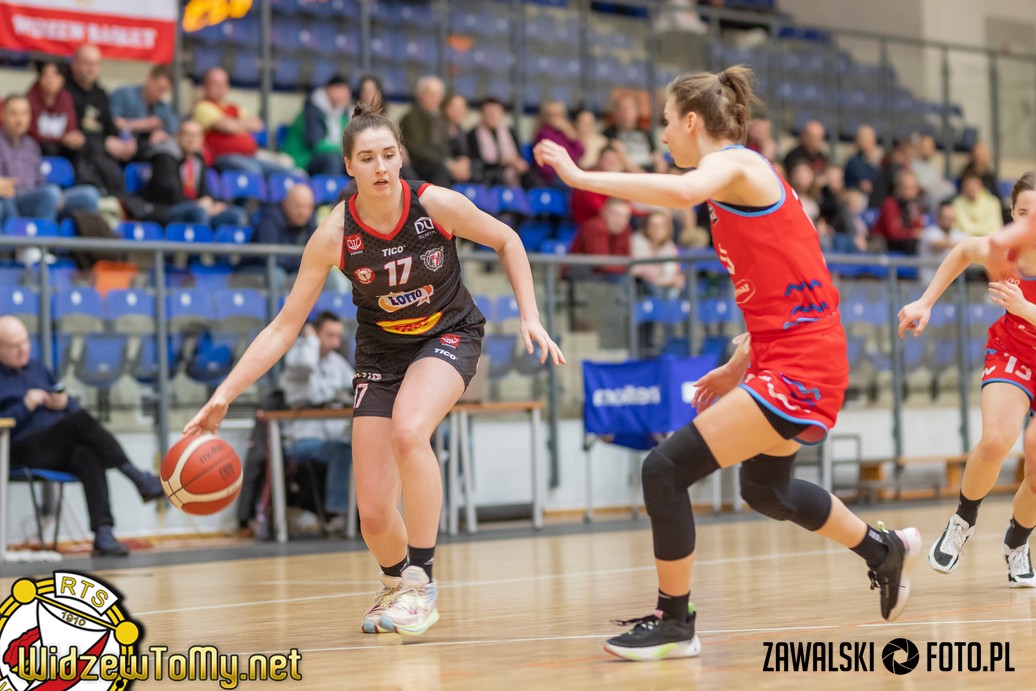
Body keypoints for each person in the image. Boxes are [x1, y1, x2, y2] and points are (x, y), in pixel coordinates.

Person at [535, 65, 920, 661]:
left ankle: (674, 621)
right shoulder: (736, 184)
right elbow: (785, 281)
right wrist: (742, 360)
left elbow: (681, 194)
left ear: (692, 122)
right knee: (767, 490)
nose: (664, 134)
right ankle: (883, 550)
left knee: (664, 469)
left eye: (667, 122)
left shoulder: (737, 167)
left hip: (802, 362)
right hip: (787, 351)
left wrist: (580, 175)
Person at [184, 99, 564, 637]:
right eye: (367, 158)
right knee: (375, 514)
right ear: (348, 166)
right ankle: (394, 584)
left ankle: (421, 584)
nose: (380, 167)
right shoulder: (334, 234)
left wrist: (530, 315)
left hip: (448, 333)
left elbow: (508, 239)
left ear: (401, 157)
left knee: (410, 430)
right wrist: (224, 393)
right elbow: (284, 327)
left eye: (388, 154)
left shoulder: (434, 204)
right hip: (381, 353)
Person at [898, 171, 1036, 588]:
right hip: (1014, 352)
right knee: (995, 441)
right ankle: (963, 519)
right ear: (1011, 213)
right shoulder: (1000, 250)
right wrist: (925, 302)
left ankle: (1017, 541)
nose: (1030, 222)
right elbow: (961, 251)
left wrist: (1025, 308)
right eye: (1023, 212)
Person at [0, 316, 163, 556]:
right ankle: (138, 477)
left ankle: (103, 533)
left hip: (58, 444)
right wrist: (25, 405)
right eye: (15, 346)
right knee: (77, 423)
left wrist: (65, 403)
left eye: (25, 342)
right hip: (20, 448)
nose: (23, 349)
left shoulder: (37, 368)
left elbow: (72, 408)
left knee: (87, 453)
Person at [281, 311, 354, 531]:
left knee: (361, 448)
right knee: (342, 452)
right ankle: (335, 515)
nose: (335, 343)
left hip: (331, 439)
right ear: (315, 332)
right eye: (329, 335)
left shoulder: (336, 362)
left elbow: (355, 386)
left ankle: (363, 517)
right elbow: (306, 365)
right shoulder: (298, 355)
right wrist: (310, 339)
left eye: (338, 337)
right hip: (300, 441)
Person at [141, 120, 247, 227]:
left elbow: (204, 189)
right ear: (177, 136)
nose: (192, 140)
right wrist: (198, 204)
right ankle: (201, 237)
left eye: (196, 135)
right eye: (187, 135)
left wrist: (213, 203)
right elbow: (170, 193)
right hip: (167, 208)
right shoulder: (165, 157)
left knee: (235, 214)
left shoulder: (198, 159)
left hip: (195, 206)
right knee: (199, 212)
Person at [192, 67, 293, 175]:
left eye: (223, 83)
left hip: (251, 155)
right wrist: (241, 125)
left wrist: (234, 125)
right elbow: (228, 127)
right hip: (224, 157)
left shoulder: (234, 107)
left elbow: (257, 125)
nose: (220, 88)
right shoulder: (202, 107)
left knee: (286, 171)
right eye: (215, 84)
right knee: (253, 172)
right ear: (205, 86)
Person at [65, 45, 136, 193]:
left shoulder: (100, 94)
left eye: (96, 64)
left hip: (103, 154)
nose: (92, 69)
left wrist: (125, 141)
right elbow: (72, 135)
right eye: (87, 63)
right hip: (81, 156)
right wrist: (104, 143)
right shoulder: (65, 93)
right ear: (74, 64)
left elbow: (110, 127)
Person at [399, 76, 470, 187]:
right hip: (420, 165)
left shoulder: (440, 120)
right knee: (441, 170)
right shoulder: (411, 118)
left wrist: (457, 163)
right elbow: (417, 149)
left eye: (438, 95)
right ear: (420, 94)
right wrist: (447, 163)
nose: (435, 99)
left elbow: (445, 147)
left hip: (440, 163)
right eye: (431, 94)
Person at [282, 74, 352, 176]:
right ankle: (330, 186)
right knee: (333, 160)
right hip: (304, 157)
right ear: (331, 89)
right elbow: (315, 142)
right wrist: (340, 151)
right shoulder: (312, 109)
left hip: (330, 154)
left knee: (353, 163)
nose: (347, 95)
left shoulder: (342, 113)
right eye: (343, 90)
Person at [109, 64, 178, 158]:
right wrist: (144, 124)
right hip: (122, 144)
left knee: (167, 154)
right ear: (149, 78)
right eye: (159, 88)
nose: (159, 95)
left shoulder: (163, 106)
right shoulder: (124, 94)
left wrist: (163, 135)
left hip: (148, 150)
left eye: (164, 91)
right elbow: (113, 122)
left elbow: (174, 129)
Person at [467, 97, 535, 189]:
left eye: (496, 113)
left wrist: (518, 163)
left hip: (511, 171)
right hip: (488, 173)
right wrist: (503, 162)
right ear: (482, 114)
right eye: (489, 113)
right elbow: (477, 162)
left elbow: (518, 156)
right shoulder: (473, 134)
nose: (493, 116)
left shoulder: (509, 132)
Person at [26, 58, 84, 159]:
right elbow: (31, 133)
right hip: (38, 145)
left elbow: (71, 127)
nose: (50, 80)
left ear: (62, 79)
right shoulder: (31, 98)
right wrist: (61, 139)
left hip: (62, 144)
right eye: (46, 75)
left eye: (54, 75)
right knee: (49, 149)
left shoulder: (66, 98)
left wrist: (74, 138)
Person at [568, 197, 633, 276]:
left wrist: (629, 267)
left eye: (626, 217)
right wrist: (628, 268)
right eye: (616, 215)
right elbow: (601, 264)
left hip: (605, 275)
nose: (621, 221)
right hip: (579, 274)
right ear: (604, 213)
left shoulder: (625, 229)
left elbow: (628, 259)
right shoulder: (594, 227)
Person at [603, 93, 667, 173]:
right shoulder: (608, 135)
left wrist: (660, 167)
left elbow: (657, 156)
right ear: (615, 112)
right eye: (622, 109)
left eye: (629, 108)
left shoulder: (645, 133)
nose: (626, 113)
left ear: (637, 111)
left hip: (650, 172)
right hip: (627, 174)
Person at [871, 170, 926, 254]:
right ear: (899, 189)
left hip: (906, 244)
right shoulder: (890, 204)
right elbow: (893, 233)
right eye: (908, 188)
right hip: (886, 245)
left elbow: (919, 228)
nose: (912, 192)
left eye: (914, 188)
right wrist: (912, 233)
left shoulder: (914, 206)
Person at [531, 101, 583, 187]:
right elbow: (545, 167)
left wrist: (569, 132)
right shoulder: (544, 133)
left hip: (569, 173)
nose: (556, 119)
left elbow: (581, 152)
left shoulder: (566, 132)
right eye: (551, 115)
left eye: (559, 115)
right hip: (552, 177)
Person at [918, 201, 965, 284]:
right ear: (938, 217)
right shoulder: (929, 232)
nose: (949, 221)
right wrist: (961, 246)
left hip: (953, 283)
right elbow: (937, 244)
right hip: (930, 281)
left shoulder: (959, 234)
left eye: (952, 218)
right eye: (946, 217)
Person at [954, 169, 1003, 238]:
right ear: (963, 186)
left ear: (981, 185)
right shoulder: (956, 203)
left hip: (988, 241)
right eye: (968, 184)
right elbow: (956, 230)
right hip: (964, 241)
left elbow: (996, 228)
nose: (971, 187)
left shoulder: (993, 202)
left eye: (974, 184)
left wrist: (975, 234)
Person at [843, 124, 881, 195]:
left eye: (871, 140)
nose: (870, 143)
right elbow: (862, 179)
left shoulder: (878, 162)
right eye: (866, 139)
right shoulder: (854, 161)